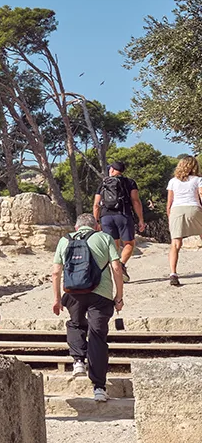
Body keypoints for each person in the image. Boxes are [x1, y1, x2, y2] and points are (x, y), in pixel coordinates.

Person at [55, 212, 123, 403]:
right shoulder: (105, 238)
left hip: (73, 292)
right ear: (96, 226)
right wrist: (119, 296)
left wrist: (56, 299)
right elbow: (117, 268)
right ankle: (99, 388)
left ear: (77, 227)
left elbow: (55, 272)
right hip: (101, 295)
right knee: (97, 337)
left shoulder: (64, 240)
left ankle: (78, 361)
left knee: (75, 324)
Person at [94, 160, 144, 280]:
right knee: (129, 243)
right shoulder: (130, 182)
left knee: (113, 245)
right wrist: (141, 219)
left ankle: (113, 270)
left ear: (112, 170)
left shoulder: (103, 183)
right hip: (123, 215)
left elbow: (96, 205)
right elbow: (135, 201)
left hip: (106, 217)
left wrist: (96, 221)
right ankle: (121, 265)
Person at [166, 156, 202, 287]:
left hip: (177, 210)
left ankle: (173, 273)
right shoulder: (198, 180)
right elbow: (201, 195)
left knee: (175, 243)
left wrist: (170, 216)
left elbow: (169, 202)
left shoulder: (173, 181)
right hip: (194, 208)